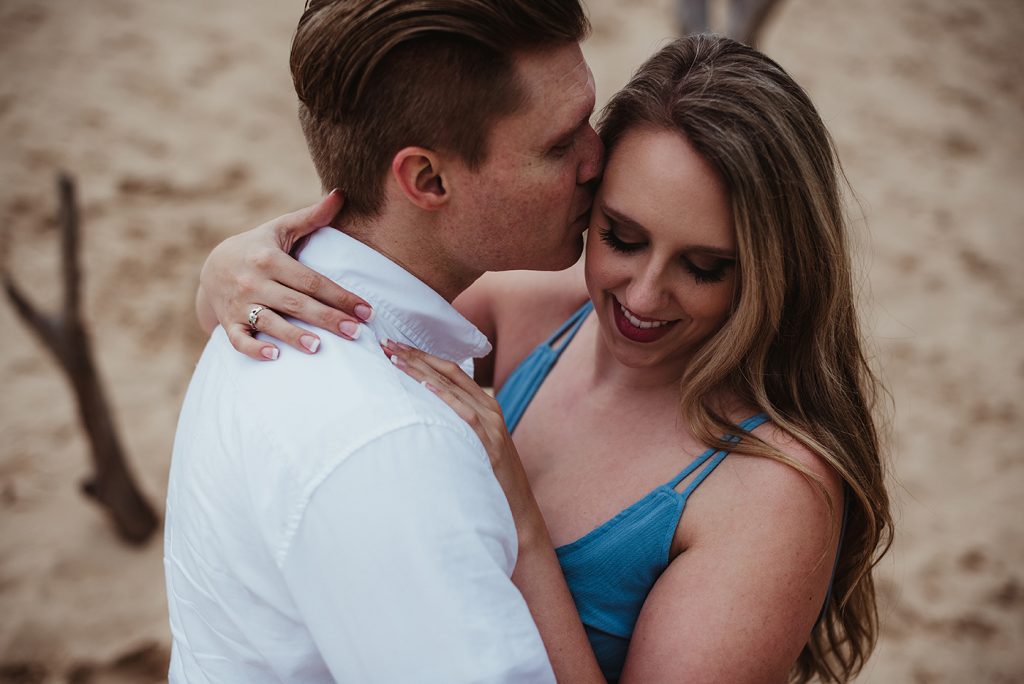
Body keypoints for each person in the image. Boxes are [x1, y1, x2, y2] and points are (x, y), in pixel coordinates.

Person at [199, 33, 894, 683]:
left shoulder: (774, 493)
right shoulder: (536, 310)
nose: (643, 296)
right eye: (621, 236)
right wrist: (229, 271)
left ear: (775, 272)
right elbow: (334, 327)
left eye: (705, 267)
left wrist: (523, 528)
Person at [164, 1, 605, 682]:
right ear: (427, 180)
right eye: (559, 144)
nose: (597, 158)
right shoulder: (394, 445)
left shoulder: (263, 306)